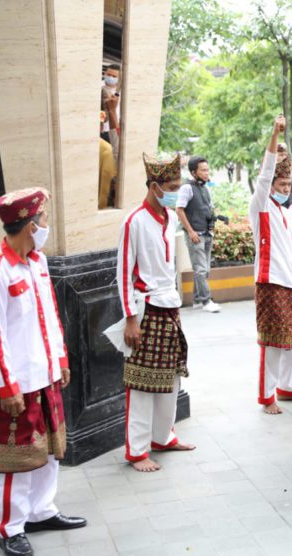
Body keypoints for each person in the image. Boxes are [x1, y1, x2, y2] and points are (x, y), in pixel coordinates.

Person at [0, 188, 87, 556]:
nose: (46, 224)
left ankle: (42, 511)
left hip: (45, 373)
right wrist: (6, 386)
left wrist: (60, 359)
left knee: (49, 450)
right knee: (14, 459)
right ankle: (11, 527)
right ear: (31, 225)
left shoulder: (37, 262)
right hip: (17, 382)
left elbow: (49, 315)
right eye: (43, 219)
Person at [118, 154, 196, 473]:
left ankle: (163, 437)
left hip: (170, 306)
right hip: (145, 309)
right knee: (141, 383)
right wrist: (130, 319)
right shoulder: (134, 221)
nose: (176, 192)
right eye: (172, 187)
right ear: (154, 186)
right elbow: (123, 273)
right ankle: (137, 451)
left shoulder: (170, 217)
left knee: (172, 377)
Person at [249, 116, 292, 413]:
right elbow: (265, 173)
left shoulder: (285, 212)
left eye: (289, 185)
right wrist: (274, 134)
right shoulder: (260, 205)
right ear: (270, 184)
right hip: (270, 282)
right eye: (282, 184)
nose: (287, 189)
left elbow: (290, 252)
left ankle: (289, 388)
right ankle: (266, 397)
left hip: (290, 283)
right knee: (272, 344)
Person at [176, 156, 220, 313]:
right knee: (201, 269)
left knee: (204, 269)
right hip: (195, 234)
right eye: (203, 170)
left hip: (207, 233)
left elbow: (208, 208)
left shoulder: (206, 188)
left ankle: (196, 300)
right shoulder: (186, 188)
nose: (207, 173)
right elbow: (179, 209)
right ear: (193, 172)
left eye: (207, 170)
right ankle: (207, 301)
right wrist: (190, 231)